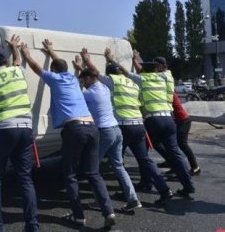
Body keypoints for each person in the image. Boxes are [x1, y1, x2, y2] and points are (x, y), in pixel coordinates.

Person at [20, 39, 116, 229]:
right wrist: (52, 51)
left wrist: (27, 54)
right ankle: (109, 211)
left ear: (54, 71)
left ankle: (79, 216)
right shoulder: (73, 77)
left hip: (74, 129)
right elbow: (60, 64)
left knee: (70, 174)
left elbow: (37, 68)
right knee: (93, 173)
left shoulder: (54, 78)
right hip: (92, 127)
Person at [76, 48, 173, 206]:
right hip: (138, 125)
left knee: (117, 163)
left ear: (110, 74)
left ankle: (121, 196)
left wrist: (86, 60)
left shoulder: (112, 81)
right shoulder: (132, 83)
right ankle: (164, 189)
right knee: (144, 159)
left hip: (123, 126)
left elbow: (94, 74)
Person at [0, 35, 39, 232]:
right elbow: (18, 62)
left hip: (5, 129)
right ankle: (32, 226)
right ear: (5, 61)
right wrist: (14, 48)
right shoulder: (18, 71)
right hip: (25, 128)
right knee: (25, 177)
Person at [74, 56, 141, 212]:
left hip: (104, 132)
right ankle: (133, 198)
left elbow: (77, 98)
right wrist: (82, 69)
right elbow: (95, 74)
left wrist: (79, 73)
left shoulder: (90, 93)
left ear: (89, 78)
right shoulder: (105, 88)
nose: (84, 84)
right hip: (116, 130)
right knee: (118, 166)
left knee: (93, 169)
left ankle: (101, 201)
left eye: (85, 80)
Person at [131, 50, 195, 198]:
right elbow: (144, 68)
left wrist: (134, 59)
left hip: (153, 121)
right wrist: (138, 59)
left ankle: (148, 183)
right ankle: (188, 185)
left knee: (143, 153)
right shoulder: (164, 78)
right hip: (169, 119)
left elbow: (135, 71)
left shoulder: (143, 79)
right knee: (175, 153)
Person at [155, 92, 201, 176]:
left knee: (182, 144)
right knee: (168, 143)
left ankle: (195, 167)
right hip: (176, 121)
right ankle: (172, 164)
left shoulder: (169, 94)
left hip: (183, 121)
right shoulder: (165, 92)